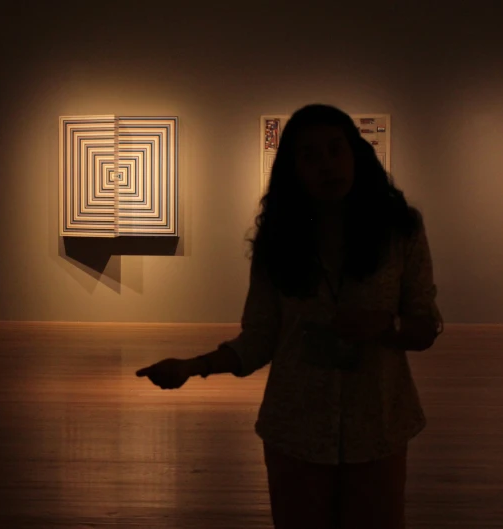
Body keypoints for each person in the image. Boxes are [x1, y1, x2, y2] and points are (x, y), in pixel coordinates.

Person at [136, 104, 443, 529]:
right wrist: (195, 366)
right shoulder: (279, 241)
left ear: (356, 154)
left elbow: (425, 325)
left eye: (336, 150)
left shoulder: (399, 231)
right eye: (310, 156)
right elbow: (259, 338)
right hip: (296, 430)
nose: (326, 166)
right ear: (293, 169)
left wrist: (384, 325)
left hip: (379, 427)